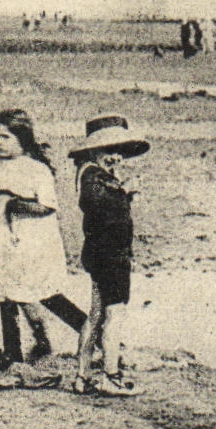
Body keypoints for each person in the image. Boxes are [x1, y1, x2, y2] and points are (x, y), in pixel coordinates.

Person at [0, 109, 85, 370]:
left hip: (36, 243)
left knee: (47, 294)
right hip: (6, 240)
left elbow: (47, 206)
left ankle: (89, 331)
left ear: (22, 138)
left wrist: (15, 202)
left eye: (4, 136)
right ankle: (13, 355)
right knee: (5, 296)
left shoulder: (37, 170)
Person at [68, 115, 150, 396]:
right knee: (114, 314)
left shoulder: (91, 173)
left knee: (96, 314)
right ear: (93, 151)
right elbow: (97, 204)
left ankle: (83, 375)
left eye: (119, 151)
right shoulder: (93, 177)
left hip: (101, 254)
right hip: (110, 256)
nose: (115, 157)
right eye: (108, 151)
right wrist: (124, 193)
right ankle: (111, 374)